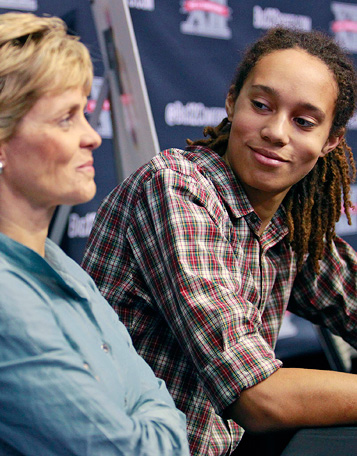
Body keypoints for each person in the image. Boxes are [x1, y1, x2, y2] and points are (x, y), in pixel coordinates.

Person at [82, 26, 357, 455]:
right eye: (261, 105)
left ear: (331, 142)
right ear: (232, 102)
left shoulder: (288, 224)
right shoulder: (175, 187)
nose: (276, 132)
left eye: (304, 121)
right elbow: (258, 398)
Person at [0, 12, 190, 456]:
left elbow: (155, 400)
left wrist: (153, 416)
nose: (93, 137)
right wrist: (153, 418)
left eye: (85, 114)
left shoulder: (59, 263)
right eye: (65, 119)